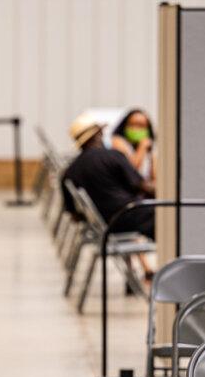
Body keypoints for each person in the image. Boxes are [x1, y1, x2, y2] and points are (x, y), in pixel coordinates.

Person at [61, 113, 155, 280]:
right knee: (170, 218)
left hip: (102, 226)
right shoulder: (113, 156)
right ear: (98, 135)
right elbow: (141, 186)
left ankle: (134, 276)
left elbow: (74, 215)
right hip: (128, 216)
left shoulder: (69, 172)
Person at [110, 108, 157, 195]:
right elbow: (130, 171)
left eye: (141, 126)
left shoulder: (149, 147)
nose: (136, 129)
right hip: (126, 193)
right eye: (132, 125)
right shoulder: (118, 142)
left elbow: (155, 177)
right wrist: (142, 148)